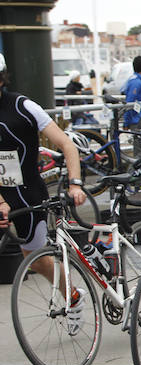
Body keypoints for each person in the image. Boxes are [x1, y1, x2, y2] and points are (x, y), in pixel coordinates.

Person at [0, 53, 89, 315]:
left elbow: (66, 145)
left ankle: (73, 297)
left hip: (27, 193)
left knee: (35, 260)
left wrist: (75, 184)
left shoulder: (22, 106)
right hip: (2, 196)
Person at [121, 55, 141, 128]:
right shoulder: (136, 82)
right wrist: (126, 122)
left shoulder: (136, 80)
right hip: (138, 120)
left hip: (140, 119)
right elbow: (130, 102)